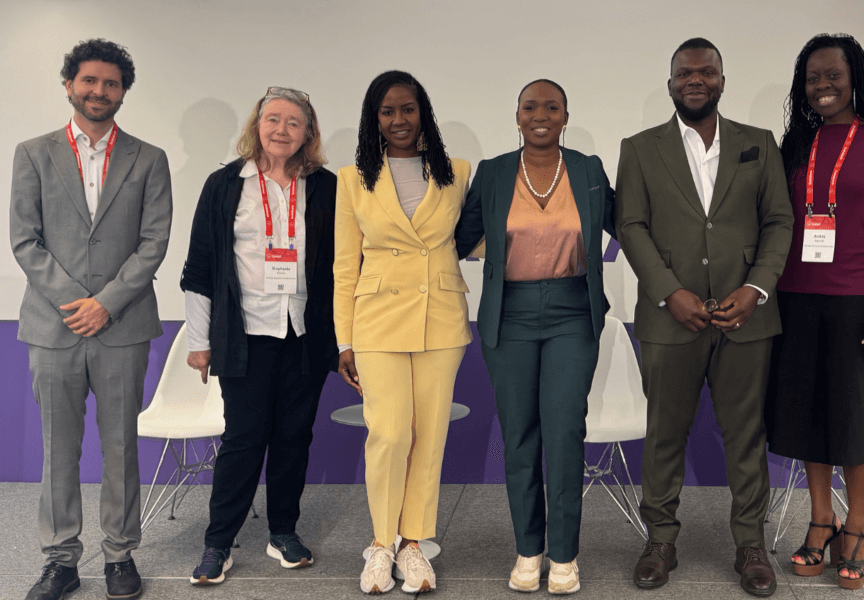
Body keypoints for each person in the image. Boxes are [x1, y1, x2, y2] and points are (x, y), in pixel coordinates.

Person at [615, 38, 793, 597]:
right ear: (671, 83)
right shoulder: (640, 148)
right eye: (685, 73)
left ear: (722, 79)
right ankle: (660, 540)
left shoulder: (759, 144)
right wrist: (671, 293)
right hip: (672, 319)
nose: (696, 80)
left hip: (747, 319)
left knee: (745, 435)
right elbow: (631, 226)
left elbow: (780, 223)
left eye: (706, 71)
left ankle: (750, 546)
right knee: (665, 434)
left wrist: (757, 288)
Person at [9, 39, 172, 600]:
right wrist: (77, 302)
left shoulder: (149, 158)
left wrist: (107, 302)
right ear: (69, 84)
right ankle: (60, 560)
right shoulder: (32, 153)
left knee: (121, 445)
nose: (99, 91)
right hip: (53, 328)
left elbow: (154, 243)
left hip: (122, 326)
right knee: (60, 446)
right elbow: (25, 242)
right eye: (90, 81)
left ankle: (121, 555)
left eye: (111, 83)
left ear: (123, 92)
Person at [454, 79, 616, 595]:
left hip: (573, 312)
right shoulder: (495, 171)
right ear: (516, 115)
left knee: (565, 430)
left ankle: (564, 554)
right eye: (530, 106)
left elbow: (626, 225)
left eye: (552, 106)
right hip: (511, 315)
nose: (540, 114)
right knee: (520, 433)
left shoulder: (588, 169)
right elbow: (461, 237)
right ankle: (529, 550)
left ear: (566, 116)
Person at [180, 87, 337, 585]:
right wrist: (199, 342)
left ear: (308, 133)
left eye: (294, 122)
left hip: (305, 333)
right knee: (244, 440)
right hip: (243, 334)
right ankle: (218, 543)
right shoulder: (225, 184)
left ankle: (283, 532)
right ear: (257, 124)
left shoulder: (328, 187)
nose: (282, 130)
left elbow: (345, 267)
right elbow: (199, 269)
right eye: (273, 119)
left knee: (294, 437)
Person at [333, 70, 472, 595]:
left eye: (407, 109)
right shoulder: (353, 179)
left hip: (441, 318)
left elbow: (471, 241)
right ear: (374, 119)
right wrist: (343, 339)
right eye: (387, 111)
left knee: (429, 435)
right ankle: (381, 544)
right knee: (389, 433)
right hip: (376, 321)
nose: (398, 120)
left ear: (423, 113)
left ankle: (414, 544)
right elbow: (346, 265)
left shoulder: (457, 171)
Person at [765, 33, 864, 590]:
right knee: (810, 416)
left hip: (855, 296)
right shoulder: (795, 143)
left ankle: (859, 528)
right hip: (796, 295)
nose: (823, 86)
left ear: (855, 78)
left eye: (834, 75)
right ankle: (821, 520)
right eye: (813, 78)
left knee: (854, 417)